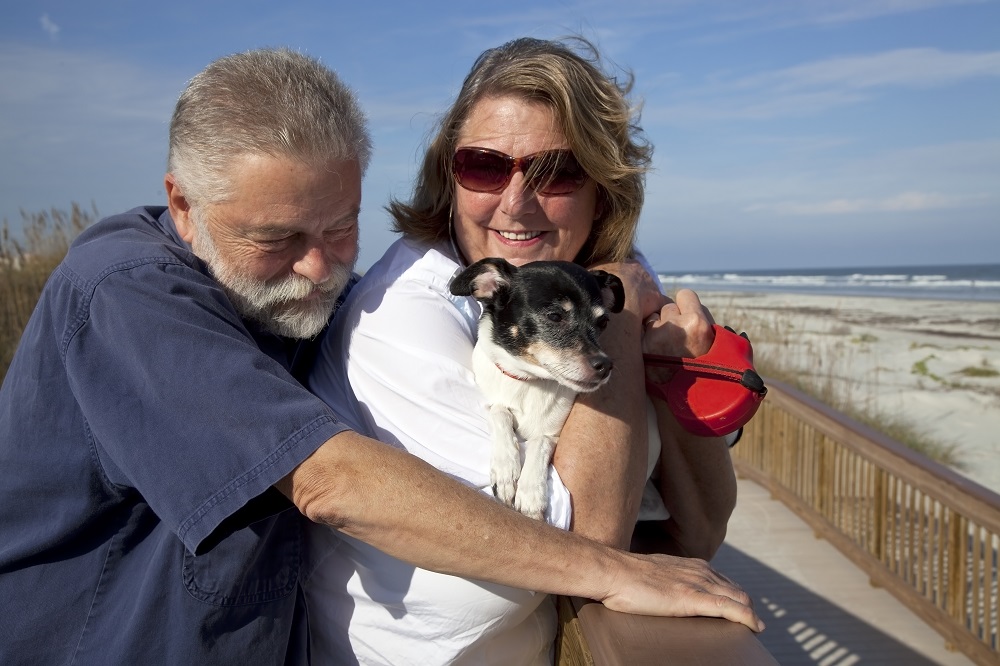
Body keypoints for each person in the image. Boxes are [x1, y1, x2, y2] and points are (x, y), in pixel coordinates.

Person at [0, 46, 760, 665]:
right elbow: (328, 479)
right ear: (182, 205)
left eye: (339, 228)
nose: (317, 268)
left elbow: (694, 529)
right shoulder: (130, 297)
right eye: (275, 239)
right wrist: (614, 570)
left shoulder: (291, 301)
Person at [307, 37, 746, 664]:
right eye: (485, 166)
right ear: (449, 176)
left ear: (603, 188)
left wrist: (678, 368)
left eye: (555, 172)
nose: (516, 204)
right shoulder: (404, 311)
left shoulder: (583, 277)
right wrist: (621, 322)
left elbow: (701, 530)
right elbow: (588, 542)